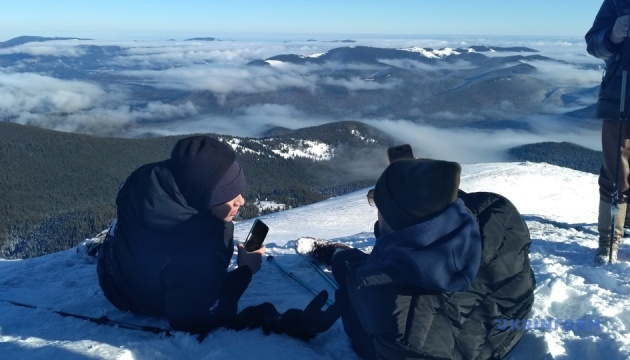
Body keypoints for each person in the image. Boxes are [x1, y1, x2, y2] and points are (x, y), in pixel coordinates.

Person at [297, 158, 535, 359]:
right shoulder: (495, 210)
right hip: (512, 322)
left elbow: (398, 321)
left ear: (394, 217)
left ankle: (336, 255)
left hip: (461, 348)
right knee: (373, 271)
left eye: (377, 203)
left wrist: (297, 326)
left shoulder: (400, 321)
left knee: (361, 288)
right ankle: (336, 254)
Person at [96, 135, 266, 336]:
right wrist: (246, 270)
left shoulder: (147, 178)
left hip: (112, 274)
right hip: (136, 300)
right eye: (229, 195)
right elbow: (191, 320)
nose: (242, 201)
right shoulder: (198, 251)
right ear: (204, 195)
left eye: (240, 191)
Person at [586, 0, 630, 264]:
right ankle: (609, 241)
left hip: (619, 93)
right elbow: (594, 44)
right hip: (621, 95)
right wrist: (613, 34)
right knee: (616, 173)